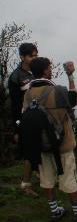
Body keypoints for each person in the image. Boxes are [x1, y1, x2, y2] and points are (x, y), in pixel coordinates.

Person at [23, 57, 77, 222]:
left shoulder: (28, 94)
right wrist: (70, 75)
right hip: (62, 144)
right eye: (49, 68)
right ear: (44, 71)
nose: (51, 70)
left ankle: (55, 210)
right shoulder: (57, 91)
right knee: (69, 179)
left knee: (47, 179)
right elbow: (74, 100)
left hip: (41, 144)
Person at [8, 42, 38, 197]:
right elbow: (14, 107)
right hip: (25, 119)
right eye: (31, 56)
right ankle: (25, 185)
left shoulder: (35, 72)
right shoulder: (16, 77)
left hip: (38, 117)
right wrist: (17, 128)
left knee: (40, 147)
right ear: (22, 57)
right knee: (30, 152)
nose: (34, 58)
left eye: (36, 55)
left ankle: (40, 174)